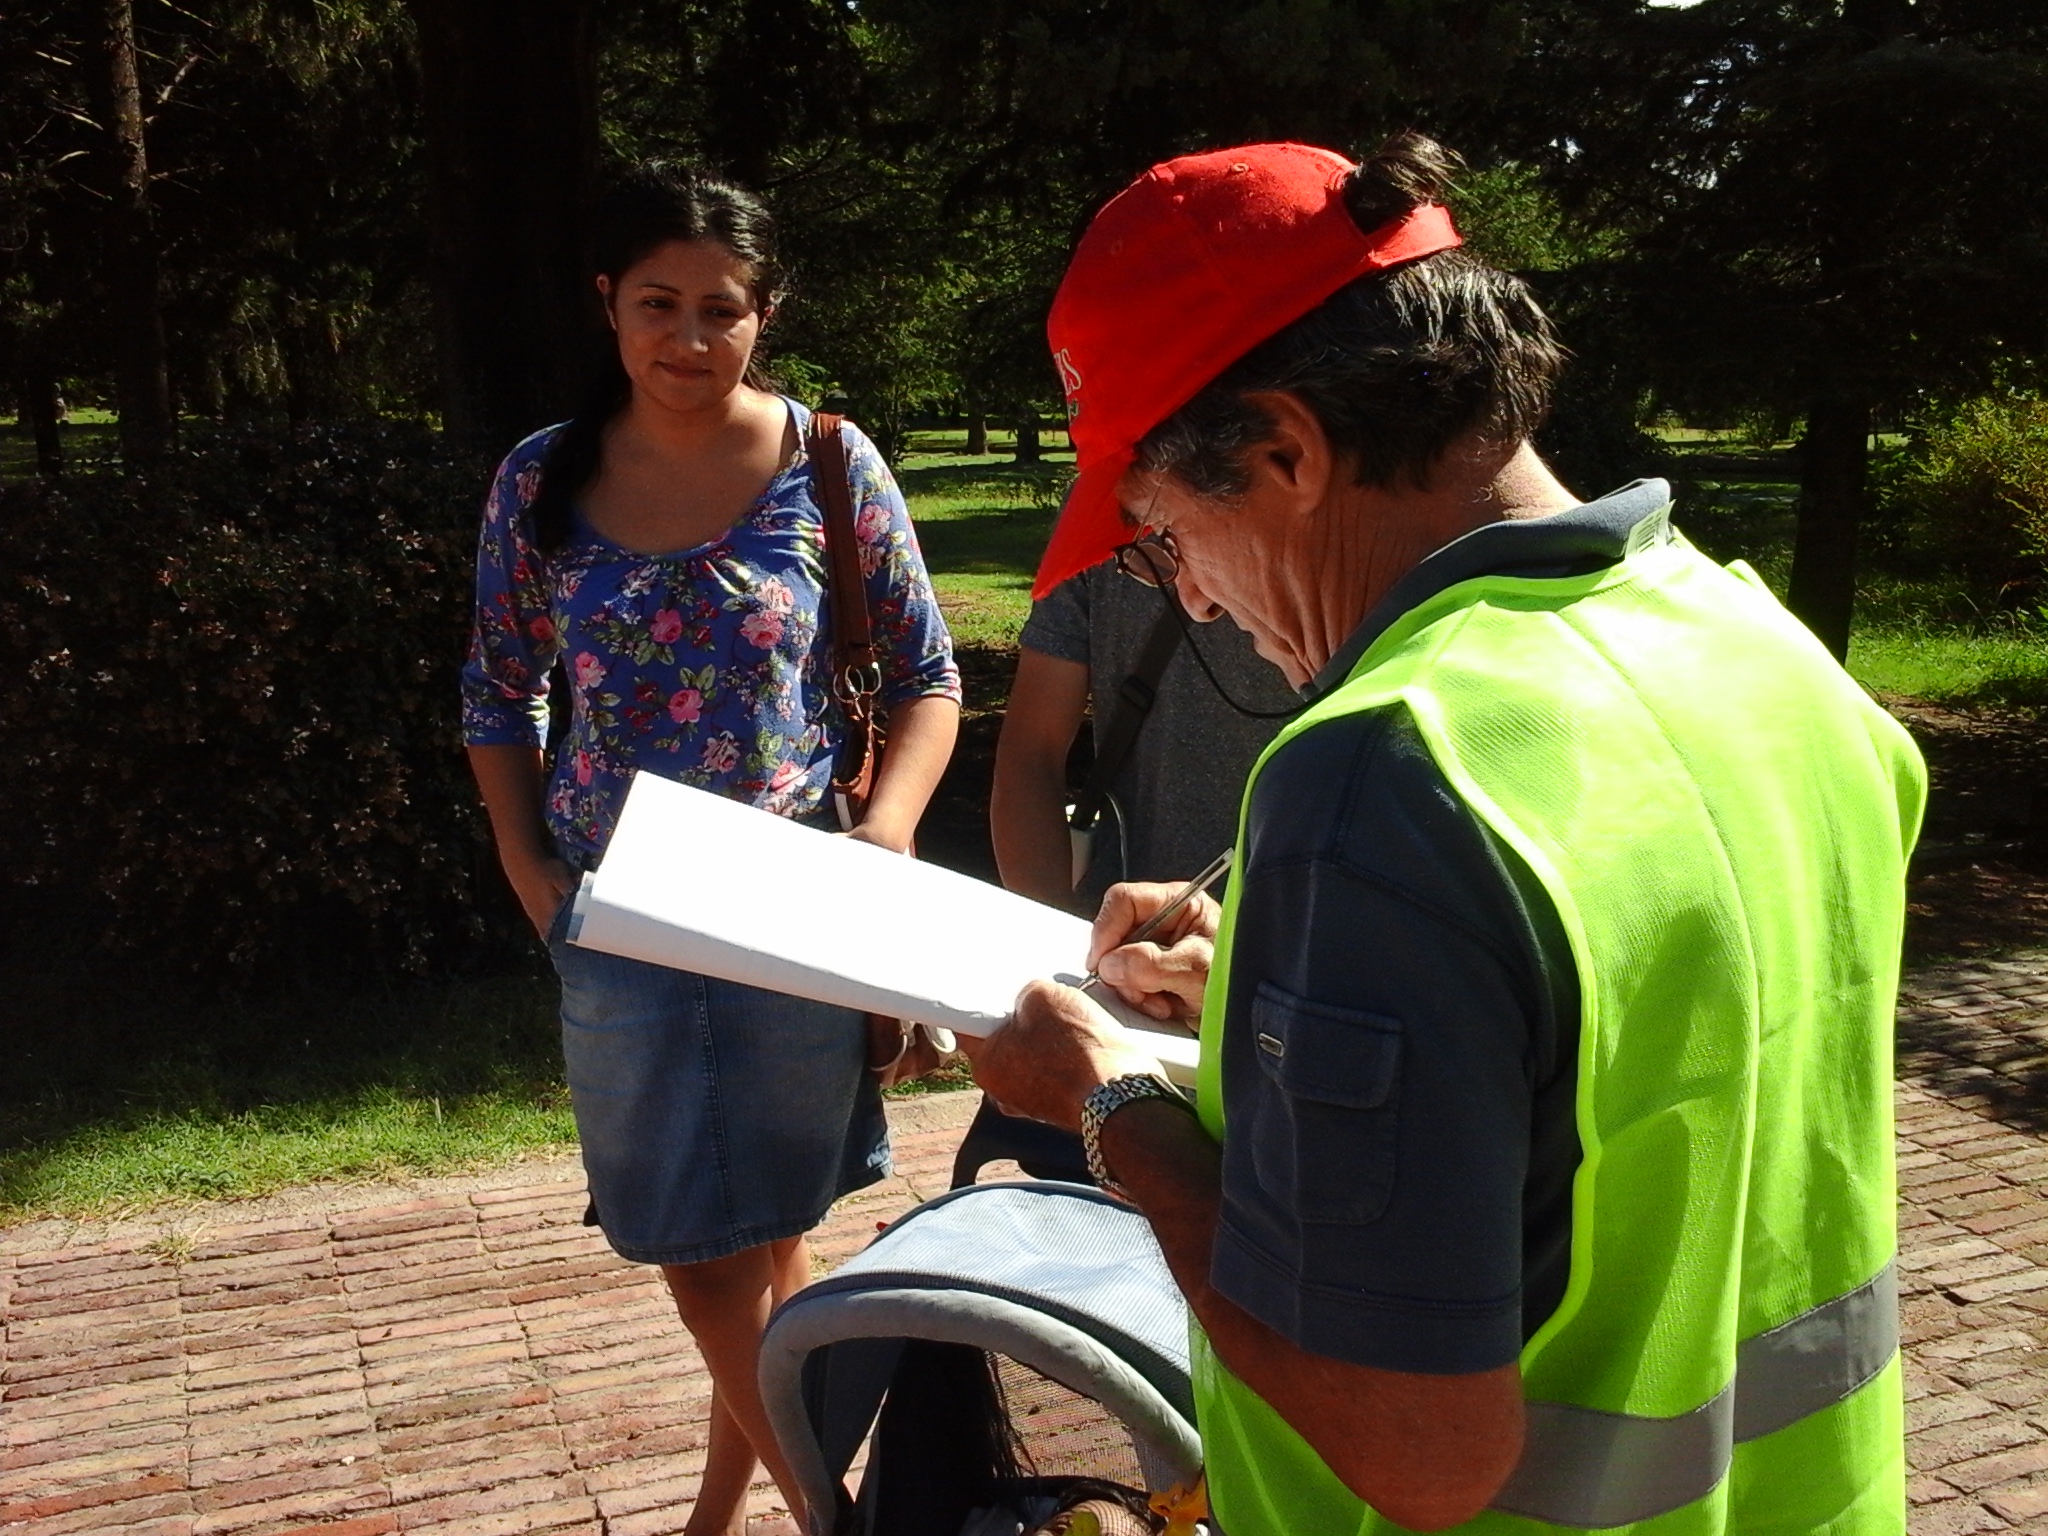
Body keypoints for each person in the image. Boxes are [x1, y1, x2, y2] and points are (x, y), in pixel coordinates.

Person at [968, 133, 1923, 1535]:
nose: (1204, 604)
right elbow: (1623, 1039)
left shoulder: (1381, 774)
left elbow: (1416, 1450)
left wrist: (1114, 1107)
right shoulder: (1760, 646)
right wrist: (1275, 987)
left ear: (1285, 449)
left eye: (1168, 535)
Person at [460, 164, 960, 1536]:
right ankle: (831, 1518)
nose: (688, 339)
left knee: (771, 1236)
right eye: (658, 304)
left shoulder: (828, 464)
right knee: (699, 1252)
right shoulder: (540, 477)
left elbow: (926, 673)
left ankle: (726, 1518)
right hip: (618, 915)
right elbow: (497, 690)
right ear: (607, 306)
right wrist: (524, 862)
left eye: (720, 309)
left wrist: (891, 836)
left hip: (795, 900)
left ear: (765, 314)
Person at [992, 557, 1295, 914]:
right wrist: (1056, 931)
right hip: (1119, 929)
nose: (1198, 600)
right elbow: (1030, 753)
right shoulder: (1095, 517)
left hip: (1293, 939)